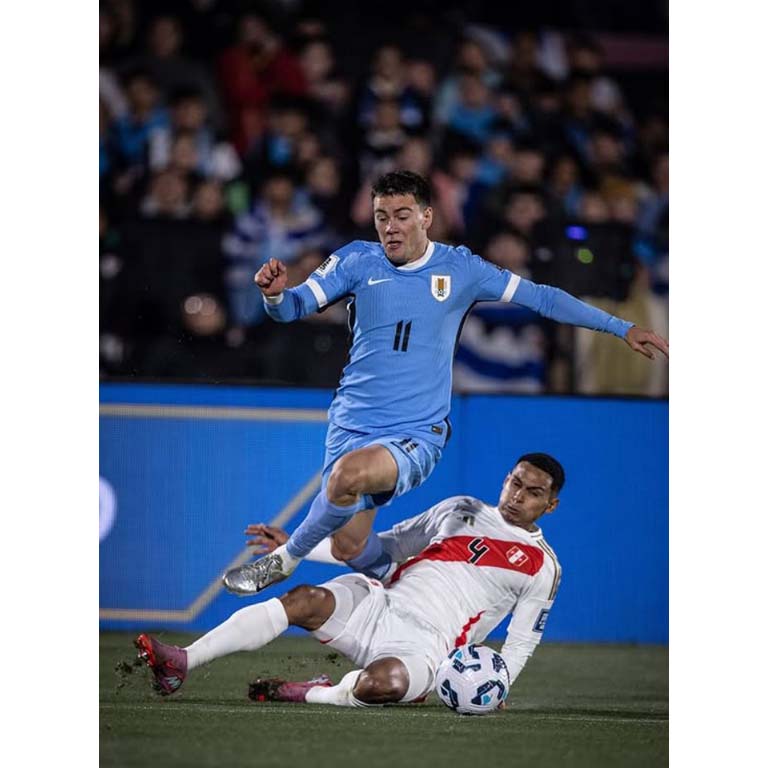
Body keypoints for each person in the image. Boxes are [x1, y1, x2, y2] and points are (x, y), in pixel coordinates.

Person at [222, 170, 667, 597]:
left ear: (426, 217)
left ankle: (282, 561)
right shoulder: (355, 259)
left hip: (416, 431)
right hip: (350, 423)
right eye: (381, 217)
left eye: (401, 215)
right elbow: (293, 308)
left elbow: (543, 297)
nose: (390, 227)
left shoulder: (461, 269)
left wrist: (621, 327)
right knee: (350, 547)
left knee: (347, 476)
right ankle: (412, 590)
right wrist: (274, 295)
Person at [136, 454, 565, 706]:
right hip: (381, 603)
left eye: (533, 493)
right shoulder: (460, 508)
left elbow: (521, 641)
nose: (518, 496)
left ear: (550, 505)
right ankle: (182, 662)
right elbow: (385, 548)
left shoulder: (543, 567)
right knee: (303, 599)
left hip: (428, 647)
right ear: (506, 479)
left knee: (383, 685)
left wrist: (498, 687)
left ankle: (313, 693)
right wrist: (299, 546)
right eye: (515, 482)